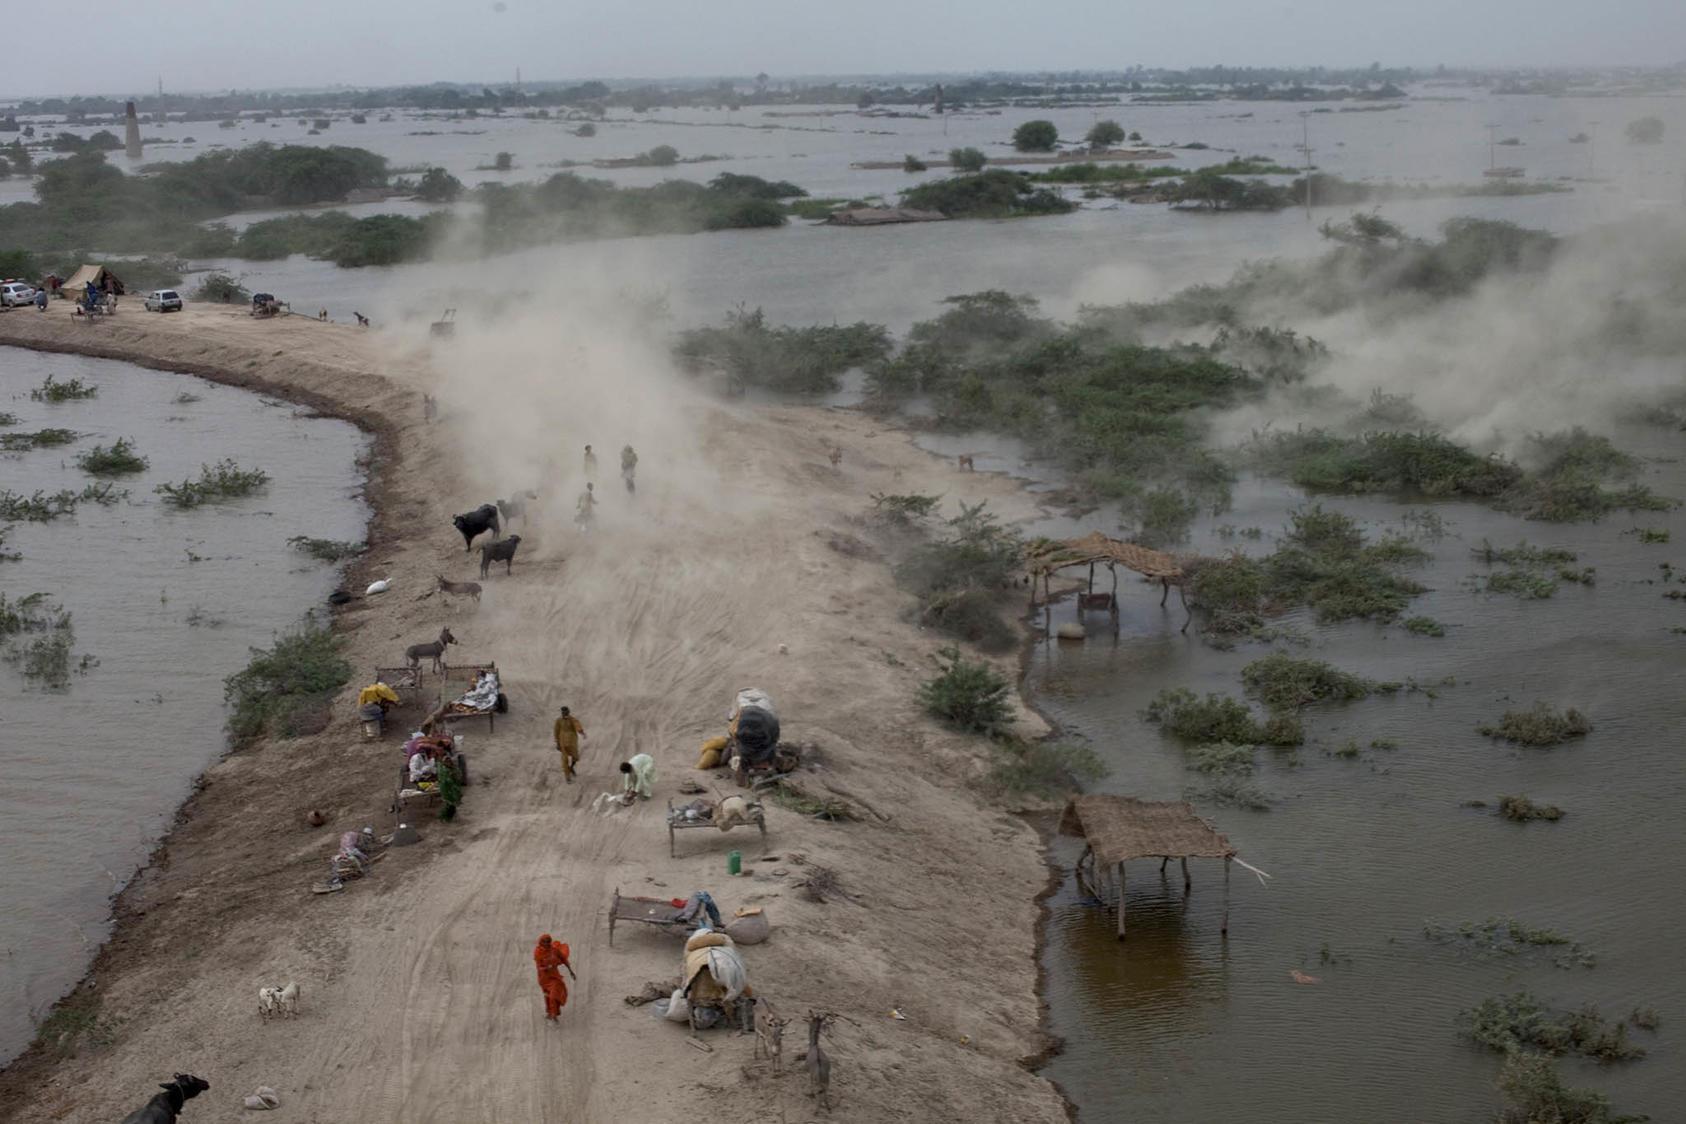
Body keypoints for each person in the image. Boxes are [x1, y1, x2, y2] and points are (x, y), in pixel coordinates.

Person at [532, 933, 575, 1023]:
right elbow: (539, 967)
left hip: (554, 978)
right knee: (547, 996)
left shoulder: (554, 950)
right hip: (543, 979)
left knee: (553, 996)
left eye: (549, 942)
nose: (547, 944)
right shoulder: (538, 952)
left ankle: (554, 1015)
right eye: (545, 942)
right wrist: (548, 967)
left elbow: (564, 959)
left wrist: (570, 971)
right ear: (541, 942)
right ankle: (550, 1012)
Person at [553, 705, 585, 783]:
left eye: (566, 711)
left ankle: (571, 767)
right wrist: (557, 743)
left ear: (568, 711)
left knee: (575, 757)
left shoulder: (572, 719)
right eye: (563, 712)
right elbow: (556, 731)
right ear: (562, 713)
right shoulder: (558, 721)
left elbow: (577, 725)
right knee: (564, 759)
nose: (565, 713)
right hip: (563, 742)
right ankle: (567, 776)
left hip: (572, 742)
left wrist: (581, 732)